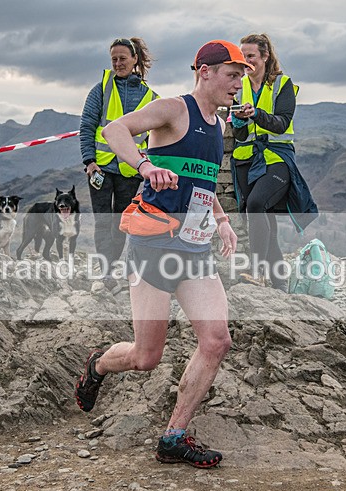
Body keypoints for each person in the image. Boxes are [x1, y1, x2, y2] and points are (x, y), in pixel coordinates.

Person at [74, 40, 249, 468]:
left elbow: (203, 183)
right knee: (145, 357)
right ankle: (98, 365)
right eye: (232, 75)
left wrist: (222, 221)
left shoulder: (218, 125)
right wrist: (144, 166)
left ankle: (173, 436)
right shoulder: (174, 109)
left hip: (193, 248)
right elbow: (113, 129)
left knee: (217, 340)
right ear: (204, 72)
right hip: (152, 245)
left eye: (242, 77)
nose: (238, 85)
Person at [230, 33, 317, 290]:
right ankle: (280, 285)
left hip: (276, 157)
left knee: (256, 205)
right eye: (242, 57)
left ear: (266, 56)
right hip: (245, 160)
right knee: (264, 220)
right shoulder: (239, 87)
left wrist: (256, 113)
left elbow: (281, 123)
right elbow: (240, 134)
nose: (246, 62)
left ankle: (257, 271)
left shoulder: (283, 84)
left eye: (251, 56)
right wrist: (238, 123)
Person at [80, 37, 158, 287]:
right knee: (103, 221)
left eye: (123, 58)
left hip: (130, 170)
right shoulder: (101, 89)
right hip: (100, 168)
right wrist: (89, 161)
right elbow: (87, 126)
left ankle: (112, 268)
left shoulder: (151, 97)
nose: (117, 63)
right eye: (114, 59)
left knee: (120, 223)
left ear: (135, 59)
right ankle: (105, 273)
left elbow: (156, 137)